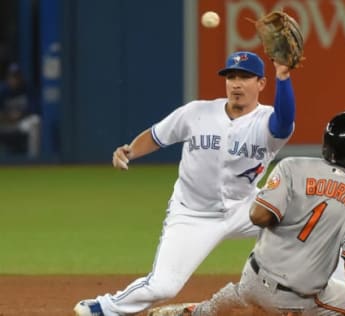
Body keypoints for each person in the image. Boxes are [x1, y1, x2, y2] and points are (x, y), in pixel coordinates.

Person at [74, 50, 301, 316]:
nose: (236, 83)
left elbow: (284, 122)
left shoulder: (267, 121)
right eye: (231, 77)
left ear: (261, 83)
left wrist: (283, 76)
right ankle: (104, 307)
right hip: (193, 213)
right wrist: (131, 151)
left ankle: (323, 296)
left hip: (246, 208)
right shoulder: (197, 113)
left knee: (305, 223)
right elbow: (158, 135)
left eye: (245, 77)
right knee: (163, 287)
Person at [176, 111, 345, 315]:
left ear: (326, 144)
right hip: (296, 302)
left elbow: (258, 216)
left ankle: (201, 311)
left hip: (252, 282)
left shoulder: (290, 167)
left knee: (226, 303)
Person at [0, 62, 41, 157]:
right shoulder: (2, 91)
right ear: (7, 78)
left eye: (16, 77)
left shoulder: (28, 89)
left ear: (21, 77)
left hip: (22, 122)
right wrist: (7, 115)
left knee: (35, 121)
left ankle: (33, 160)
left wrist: (21, 114)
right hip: (5, 122)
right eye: (12, 77)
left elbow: (35, 109)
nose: (14, 79)